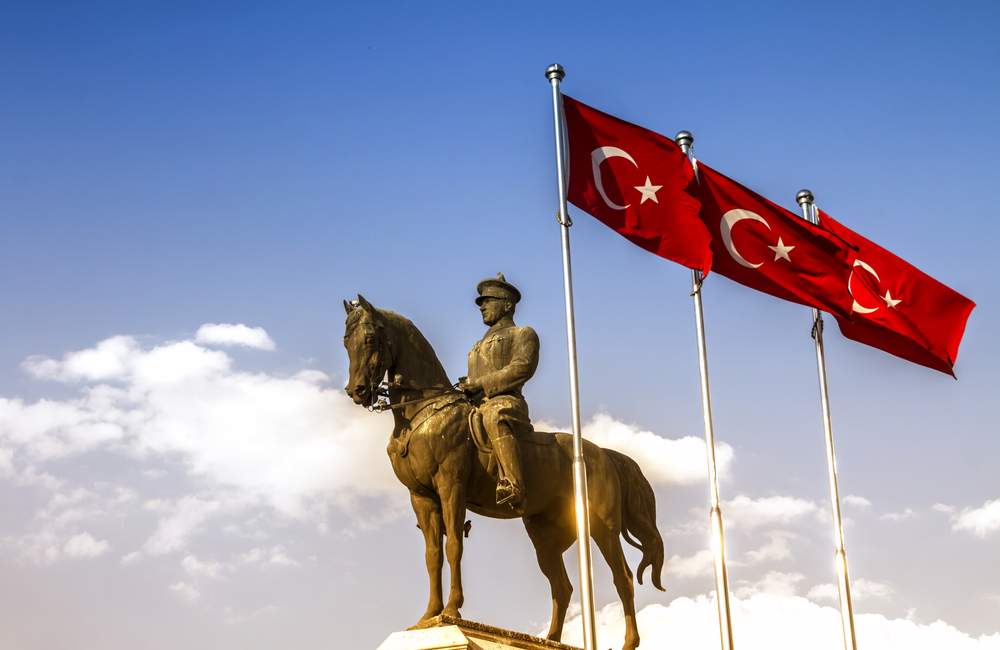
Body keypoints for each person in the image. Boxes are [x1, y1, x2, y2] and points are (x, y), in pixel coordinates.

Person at [459, 273, 539, 508]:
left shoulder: (523, 334)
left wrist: (481, 384)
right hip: (476, 407)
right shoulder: (476, 345)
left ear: (507, 304)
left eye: (488, 300)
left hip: (506, 403)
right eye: (481, 302)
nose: (482, 305)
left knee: (495, 416)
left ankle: (513, 483)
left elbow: (522, 368)